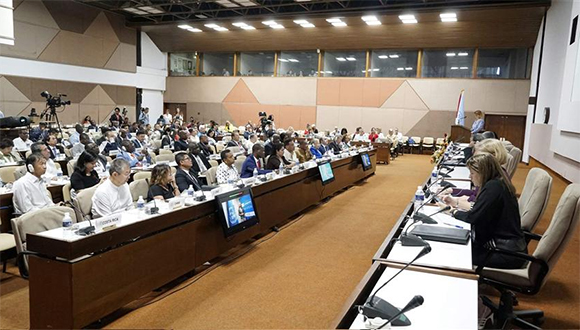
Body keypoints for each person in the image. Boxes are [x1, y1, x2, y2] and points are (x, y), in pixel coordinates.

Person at [448, 153, 526, 268]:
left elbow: (473, 218)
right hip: (508, 247)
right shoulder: (498, 183)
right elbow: (479, 212)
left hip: (503, 252)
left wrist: (454, 212)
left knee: (456, 254)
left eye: (472, 173)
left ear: (482, 173)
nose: (470, 177)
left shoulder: (493, 187)